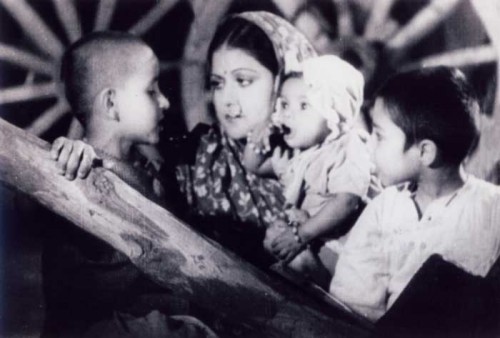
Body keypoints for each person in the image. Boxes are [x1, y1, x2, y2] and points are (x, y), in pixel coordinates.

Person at [53, 11, 317, 267]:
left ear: (284, 76)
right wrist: (77, 152)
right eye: (217, 83)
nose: (227, 100)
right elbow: (116, 165)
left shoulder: (330, 157)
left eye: (243, 81)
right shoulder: (195, 158)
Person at [43, 31, 216, 337]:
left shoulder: (150, 169)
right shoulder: (76, 169)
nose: (165, 101)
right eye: (151, 90)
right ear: (111, 103)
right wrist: (67, 157)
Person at [329, 66, 500, 322]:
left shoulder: (493, 209)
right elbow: (352, 306)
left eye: (379, 135)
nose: (369, 144)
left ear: (425, 152)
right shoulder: (384, 211)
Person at [243, 55, 374, 286]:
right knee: (272, 239)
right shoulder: (304, 155)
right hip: (315, 244)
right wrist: (258, 139)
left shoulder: (347, 149)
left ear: (334, 113)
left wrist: (300, 235)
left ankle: (326, 288)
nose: (287, 114)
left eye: (304, 105)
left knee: (287, 253)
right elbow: (255, 166)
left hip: (344, 252)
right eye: (284, 104)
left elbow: (347, 201)